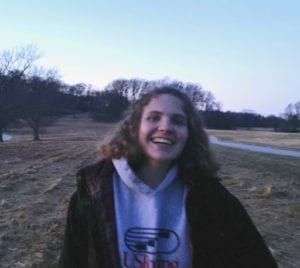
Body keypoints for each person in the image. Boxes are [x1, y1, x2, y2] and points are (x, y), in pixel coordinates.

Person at [59, 87, 278, 267]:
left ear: (189, 135)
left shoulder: (213, 197)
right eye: (154, 118)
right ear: (134, 129)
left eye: (178, 121)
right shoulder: (92, 191)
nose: (165, 127)